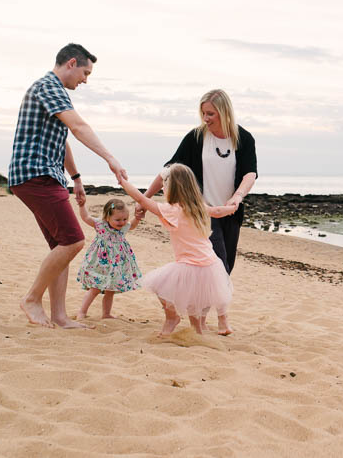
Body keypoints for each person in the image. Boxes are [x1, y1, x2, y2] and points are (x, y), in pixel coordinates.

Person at [9, 43, 127, 329]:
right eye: (85, 72)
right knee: (74, 240)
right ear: (71, 63)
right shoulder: (49, 86)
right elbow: (78, 127)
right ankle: (32, 298)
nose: (85, 80)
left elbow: (62, 140)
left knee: (59, 245)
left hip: (45, 175)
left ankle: (60, 316)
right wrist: (110, 158)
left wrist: (76, 179)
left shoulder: (55, 92)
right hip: (35, 173)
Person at [140, 89, 257, 274]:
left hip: (231, 213)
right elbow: (169, 169)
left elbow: (250, 174)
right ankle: (208, 303)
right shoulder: (196, 137)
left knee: (226, 269)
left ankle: (203, 302)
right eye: (203, 113)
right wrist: (145, 198)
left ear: (224, 112)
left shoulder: (244, 138)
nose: (205, 118)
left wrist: (237, 197)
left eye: (210, 113)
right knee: (218, 268)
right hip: (203, 212)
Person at [120, 164, 235, 336]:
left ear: (172, 188)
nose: (163, 188)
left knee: (159, 286)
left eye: (165, 185)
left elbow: (141, 199)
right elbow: (218, 211)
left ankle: (172, 317)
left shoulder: (171, 210)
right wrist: (232, 207)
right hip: (210, 264)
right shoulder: (199, 208)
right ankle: (198, 331)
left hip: (189, 265)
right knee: (195, 302)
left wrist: (122, 181)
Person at [75, 198, 145, 320]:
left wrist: (138, 218)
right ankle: (82, 312)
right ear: (107, 217)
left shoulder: (123, 228)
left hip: (116, 264)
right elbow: (86, 218)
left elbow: (132, 225)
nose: (122, 222)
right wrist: (82, 205)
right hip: (100, 263)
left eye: (124, 219)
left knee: (110, 289)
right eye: (117, 220)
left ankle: (106, 313)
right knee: (95, 288)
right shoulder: (100, 224)